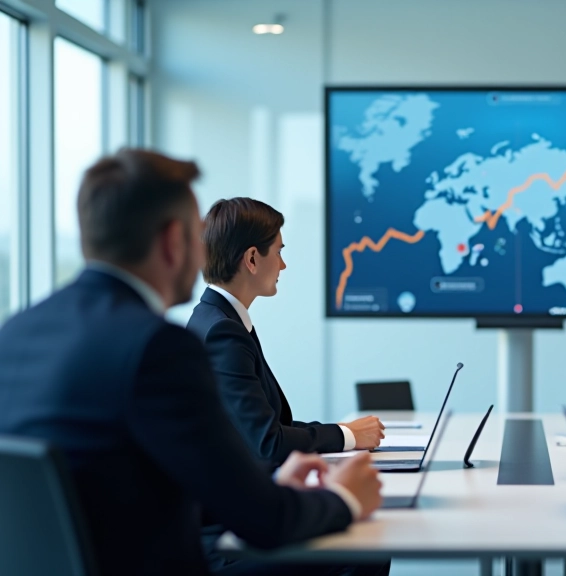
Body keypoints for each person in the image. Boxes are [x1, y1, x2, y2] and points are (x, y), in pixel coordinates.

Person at [0, 149, 386, 576]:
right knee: (365, 551)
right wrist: (344, 498)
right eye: (196, 235)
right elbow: (263, 522)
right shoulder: (156, 346)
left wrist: (273, 487)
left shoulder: (15, 333)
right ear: (173, 240)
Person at [187, 198, 384, 468]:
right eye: (279, 252)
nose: (283, 265)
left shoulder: (215, 318)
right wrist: (346, 436)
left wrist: (344, 431)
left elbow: (272, 426)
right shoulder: (224, 332)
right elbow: (268, 443)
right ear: (252, 259)